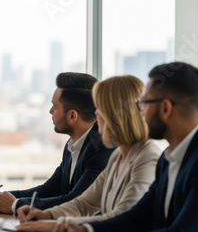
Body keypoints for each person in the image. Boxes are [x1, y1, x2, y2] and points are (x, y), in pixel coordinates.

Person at [50, 62, 198, 232]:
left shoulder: (190, 160)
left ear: (165, 108)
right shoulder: (167, 159)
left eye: (144, 103)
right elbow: (135, 217)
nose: (140, 111)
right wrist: (84, 229)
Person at [16, 75, 162, 231]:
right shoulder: (118, 156)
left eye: (99, 109)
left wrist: (57, 225)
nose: (96, 115)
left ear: (115, 115)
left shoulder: (148, 158)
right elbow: (84, 203)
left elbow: (123, 217)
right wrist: (47, 215)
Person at [0, 72, 114, 214]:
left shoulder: (102, 148)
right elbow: (50, 189)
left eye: (55, 107)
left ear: (72, 116)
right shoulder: (73, 144)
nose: (50, 112)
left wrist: (15, 205)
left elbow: (75, 201)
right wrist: (2, 197)